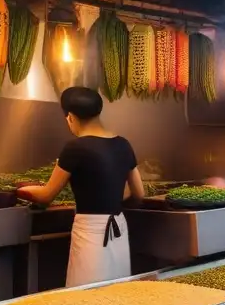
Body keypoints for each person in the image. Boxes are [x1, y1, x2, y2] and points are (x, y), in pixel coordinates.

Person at [17, 87, 143, 287]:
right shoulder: (123, 144)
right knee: (118, 296)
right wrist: (108, 196)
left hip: (90, 233)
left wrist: (18, 190)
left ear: (70, 117)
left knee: (86, 298)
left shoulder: (75, 148)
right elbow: (138, 192)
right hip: (118, 229)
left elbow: (46, 195)